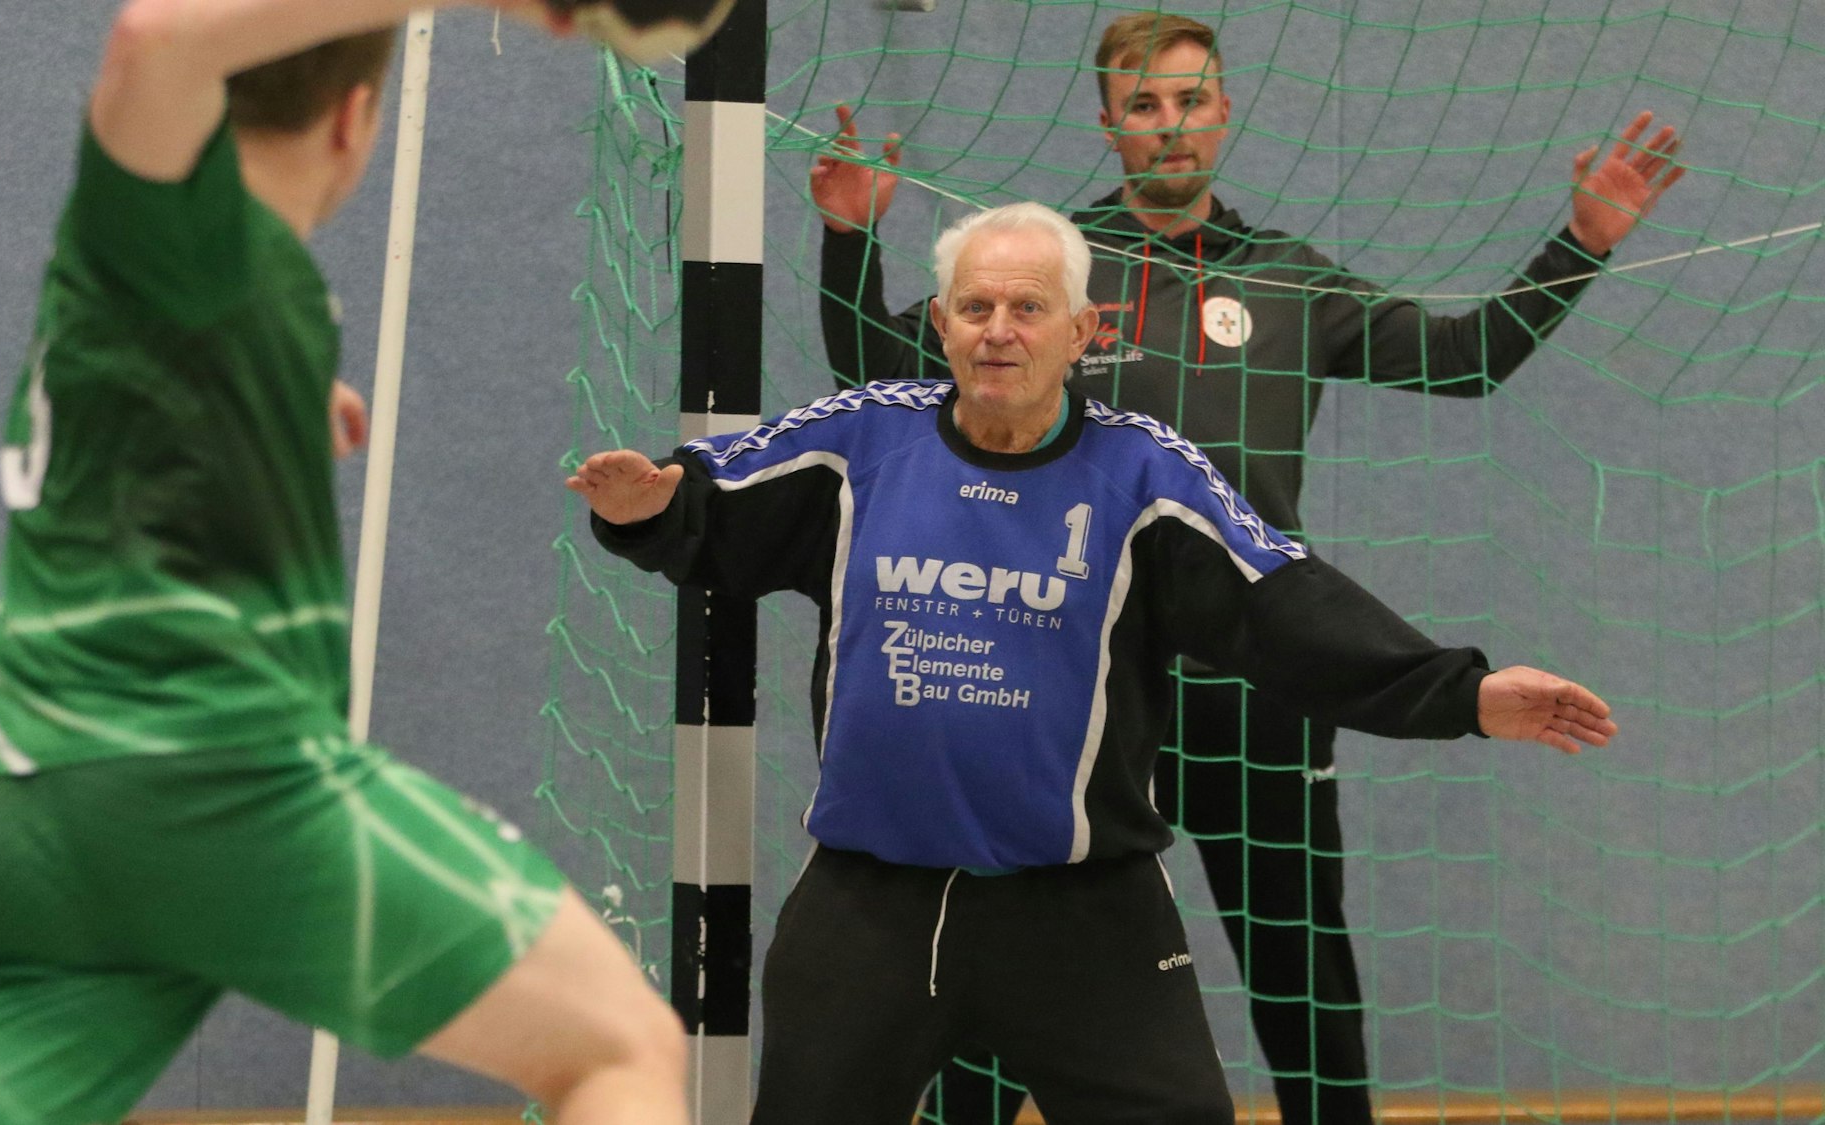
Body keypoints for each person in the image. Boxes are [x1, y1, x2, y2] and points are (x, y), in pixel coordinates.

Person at [568, 202, 1617, 1125]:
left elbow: (1284, 606)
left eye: (1027, 310)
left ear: (1081, 331)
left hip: (1081, 915)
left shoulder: (1142, 475)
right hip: (869, 907)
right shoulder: (858, 444)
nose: (997, 331)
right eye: (974, 308)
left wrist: (1462, 693)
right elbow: (713, 498)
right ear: (939, 324)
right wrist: (650, 507)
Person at [808, 14, 1680, 1123]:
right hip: (1068, 689)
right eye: (1144, 105)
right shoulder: (1054, 284)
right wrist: (846, 241)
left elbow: (1467, 362)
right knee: (1008, 966)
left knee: (1300, 980)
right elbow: (872, 364)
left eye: (1189, 100)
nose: (1169, 126)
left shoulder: (1290, 281)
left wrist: (1583, 240)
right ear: (1107, 124)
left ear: (1223, 111)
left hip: (1254, 690)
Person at [0, 0, 739, 1120]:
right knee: (618, 1048)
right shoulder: (176, 225)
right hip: (211, 783)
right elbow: (155, 38)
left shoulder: (205, 294)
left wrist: (283, 396)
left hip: (22, 829)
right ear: (356, 119)